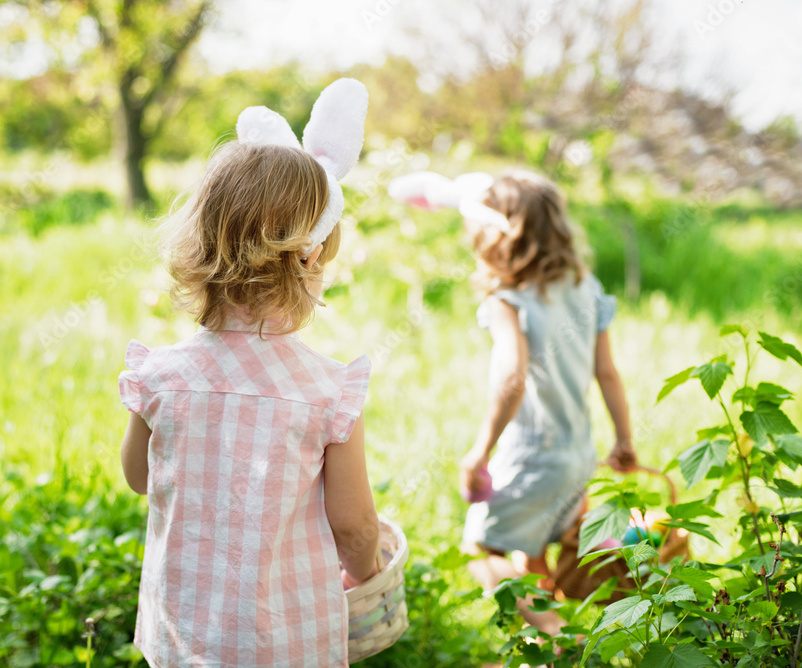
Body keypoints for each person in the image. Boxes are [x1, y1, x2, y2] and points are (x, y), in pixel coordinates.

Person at [117, 79, 380, 667]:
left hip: (182, 637)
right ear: (309, 258)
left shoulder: (160, 376)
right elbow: (356, 524)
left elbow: (139, 476)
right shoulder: (326, 392)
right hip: (287, 642)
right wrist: (368, 574)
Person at [391, 168, 638, 636]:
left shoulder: (509, 300)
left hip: (535, 455)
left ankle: (560, 642)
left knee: (480, 549)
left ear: (493, 234)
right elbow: (607, 373)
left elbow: (512, 378)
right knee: (533, 554)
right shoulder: (586, 288)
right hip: (579, 452)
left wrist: (480, 451)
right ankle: (541, 654)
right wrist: (625, 440)